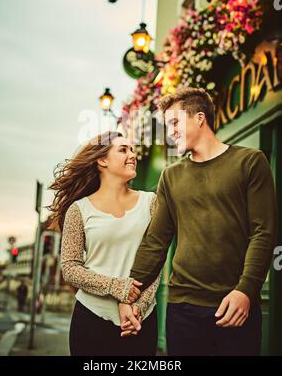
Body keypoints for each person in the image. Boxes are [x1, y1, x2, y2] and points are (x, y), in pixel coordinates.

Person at [119, 88, 277, 356]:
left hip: (235, 305)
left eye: (175, 123)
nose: (171, 133)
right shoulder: (171, 176)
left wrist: (246, 290)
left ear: (199, 117)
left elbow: (263, 232)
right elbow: (156, 242)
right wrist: (129, 294)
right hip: (183, 309)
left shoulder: (249, 162)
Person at [47, 131, 160, 356]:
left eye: (132, 149)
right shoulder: (79, 210)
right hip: (91, 318)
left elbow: (158, 258)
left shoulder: (151, 202)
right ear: (102, 160)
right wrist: (117, 287)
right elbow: (70, 268)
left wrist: (139, 306)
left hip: (140, 321)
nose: (132, 155)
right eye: (123, 149)